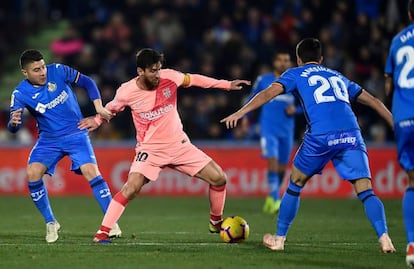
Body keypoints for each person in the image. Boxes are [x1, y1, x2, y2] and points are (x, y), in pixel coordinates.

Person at [221, 38, 396, 253]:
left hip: (321, 136)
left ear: (298, 59)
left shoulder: (294, 73)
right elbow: (376, 102)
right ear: (321, 59)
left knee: (295, 182)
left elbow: (267, 94)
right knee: (366, 190)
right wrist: (398, 126)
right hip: (352, 134)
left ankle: (280, 239)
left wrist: (240, 112)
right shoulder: (338, 76)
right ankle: (385, 237)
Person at [78, 48, 250, 243]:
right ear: (140, 71)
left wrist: (226, 85)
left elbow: (194, 79)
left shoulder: (170, 77)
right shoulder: (127, 91)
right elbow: (112, 108)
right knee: (131, 188)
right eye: (152, 70)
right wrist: (97, 120)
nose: (158, 74)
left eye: (159, 69)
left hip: (179, 145)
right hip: (150, 150)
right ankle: (103, 232)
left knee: (219, 178)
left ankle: (215, 222)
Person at [7, 49, 122, 243]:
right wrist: (14, 123)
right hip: (48, 140)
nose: (43, 72)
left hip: (76, 133)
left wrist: (98, 108)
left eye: (43, 67)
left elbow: (87, 82)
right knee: (32, 173)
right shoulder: (20, 93)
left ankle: (111, 223)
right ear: (25, 73)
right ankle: (51, 222)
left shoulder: (58, 70)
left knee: (91, 171)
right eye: (36, 69)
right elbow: (13, 127)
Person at [242, 51, 300, 214]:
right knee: (272, 162)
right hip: (269, 129)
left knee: (282, 168)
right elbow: (251, 99)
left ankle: (271, 197)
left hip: (287, 131)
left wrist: (295, 109)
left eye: (286, 60)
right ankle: (275, 199)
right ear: (274, 62)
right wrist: (246, 118)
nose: (283, 63)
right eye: (280, 60)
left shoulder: (295, 82)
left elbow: (306, 105)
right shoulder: (263, 80)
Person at [384, 0, 414, 265]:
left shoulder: (398, 40)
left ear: (409, 13)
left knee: (412, 181)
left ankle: (412, 245)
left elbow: (388, 83)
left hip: (404, 118)